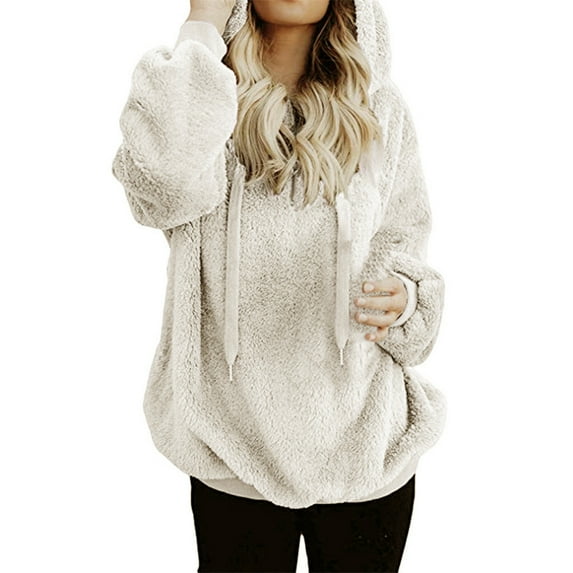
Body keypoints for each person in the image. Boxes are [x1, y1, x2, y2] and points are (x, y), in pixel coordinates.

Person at [111, 0, 448, 571]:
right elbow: (159, 189)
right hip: (233, 444)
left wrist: (405, 296)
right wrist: (202, 23)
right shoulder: (203, 101)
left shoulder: (380, 109)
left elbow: (404, 240)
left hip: (364, 444)